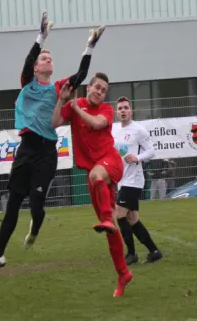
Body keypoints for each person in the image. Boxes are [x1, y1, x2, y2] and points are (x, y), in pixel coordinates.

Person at [0, 11, 105, 272]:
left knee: (36, 205)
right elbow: (26, 62)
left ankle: (35, 227)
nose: (47, 60)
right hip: (27, 149)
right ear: (37, 67)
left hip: (47, 152)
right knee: (13, 203)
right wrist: (41, 37)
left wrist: (89, 46)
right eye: (43, 58)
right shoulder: (27, 83)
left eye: (50, 58)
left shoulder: (58, 87)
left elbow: (81, 75)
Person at [52, 73, 133, 298]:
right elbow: (55, 122)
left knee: (97, 177)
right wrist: (62, 100)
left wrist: (76, 108)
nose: (99, 92)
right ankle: (123, 273)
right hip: (93, 174)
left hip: (110, 162)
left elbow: (97, 124)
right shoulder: (75, 104)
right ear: (88, 87)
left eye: (103, 90)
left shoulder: (105, 109)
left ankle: (107, 217)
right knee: (111, 229)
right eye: (97, 87)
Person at [112, 96, 163, 265]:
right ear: (117, 112)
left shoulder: (139, 130)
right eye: (120, 108)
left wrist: (138, 157)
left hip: (134, 180)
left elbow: (152, 151)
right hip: (122, 179)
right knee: (132, 219)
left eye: (126, 107)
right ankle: (154, 251)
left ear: (131, 111)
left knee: (119, 213)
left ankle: (131, 254)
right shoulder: (114, 130)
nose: (123, 110)